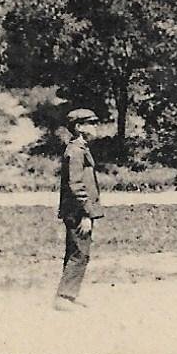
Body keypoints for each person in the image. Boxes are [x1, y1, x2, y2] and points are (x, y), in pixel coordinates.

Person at [54, 108, 103, 311]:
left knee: (76, 251)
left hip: (76, 210)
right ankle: (64, 297)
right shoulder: (75, 151)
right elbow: (76, 185)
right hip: (77, 212)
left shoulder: (80, 148)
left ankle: (68, 296)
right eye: (91, 123)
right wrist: (86, 213)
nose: (95, 127)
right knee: (80, 253)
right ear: (79, 127)